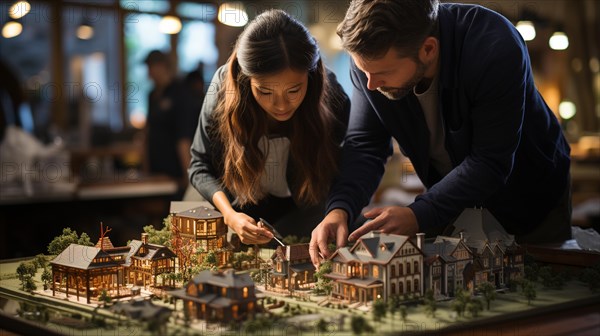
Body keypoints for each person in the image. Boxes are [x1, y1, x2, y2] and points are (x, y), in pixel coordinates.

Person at [310, 0, 572, 266]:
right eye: (363, 71)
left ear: (428, 49)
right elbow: (365, 145)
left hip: (531, 199)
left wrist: (420, 213)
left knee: (542, 287)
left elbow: (490, 160)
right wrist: (339, 209)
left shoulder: (494, 45)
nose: (371, 84)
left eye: (382, 73)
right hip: (454, 205)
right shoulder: (372, 63)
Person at [189, 9, 350, 245]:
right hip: (232, 201)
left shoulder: (331, 95)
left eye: (294, 90)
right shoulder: (223, 92)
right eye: (264, 92)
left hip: (301, 205)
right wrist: (230, 216)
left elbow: (349, 164)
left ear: (311, 76)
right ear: (246, 79)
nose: (281, 105)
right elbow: (199, 165)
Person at [144, 50, 198, 198]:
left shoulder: (181, 94)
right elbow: (148, 132)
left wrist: (188, 177)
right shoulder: (152, 95)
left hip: (175, 173)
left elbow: (184, 137)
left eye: (150, 68)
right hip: (155, 171)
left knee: (174, 216)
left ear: (162, 67)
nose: (148, 73)